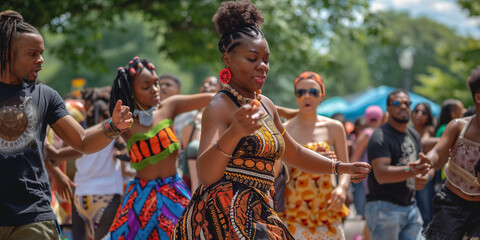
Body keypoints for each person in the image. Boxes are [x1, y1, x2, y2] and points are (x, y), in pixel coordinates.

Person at [172, 1, 371, 239]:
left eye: (266, 59)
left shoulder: (265, 104)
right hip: (223, 219)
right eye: (252, 59)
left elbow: (294, 153)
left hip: (260, 212)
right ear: (227, 60)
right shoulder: (219, 106)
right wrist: (235, 132)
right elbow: (205, 174)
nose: (263, 66)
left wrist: (340, 168)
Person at [0, 10, 132, 240]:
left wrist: (114, 127)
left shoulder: (46, 95)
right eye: (33, 54)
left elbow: (82, 142)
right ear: (6, 54)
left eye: (41, 53)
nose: (40, 60)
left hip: (32, 216)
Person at [104, 56, 213, 239]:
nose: (155, 90)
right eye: (146, 87)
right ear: (132, 92)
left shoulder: (169, 107)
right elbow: (87, 140)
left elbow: (214, 98)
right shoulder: (125, 122)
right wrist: (56, 155)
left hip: (175, 194)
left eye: (157, 84)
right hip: (140, 199)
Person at [281, 71, 354, 239]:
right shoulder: (286, 128)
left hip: (328, 206)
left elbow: (345, 165)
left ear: (321, 96)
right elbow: (280, 169)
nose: (307, 96)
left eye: (313, 92)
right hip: (295, 207)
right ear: (296, 96)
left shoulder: (334, 127)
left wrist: (342, 188)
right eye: (301, 92)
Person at [45, 90, 126, 240]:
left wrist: (54, 162)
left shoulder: (80, 137)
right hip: (108, 193)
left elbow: (57, 155)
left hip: (81, 194)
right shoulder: (114, 131)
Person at [365, 89, 433, 240]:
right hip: (383, 207)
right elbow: (381, 174)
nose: (403, 107)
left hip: (410, 207)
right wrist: (413, 171)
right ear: (388, 108)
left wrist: (424, 176)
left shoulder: (413, 134)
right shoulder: (380, 136)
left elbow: (422, 167)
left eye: (406, 103)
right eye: (397, 103)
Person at [421, 66, 480, 240]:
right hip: (452, 203)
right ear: (478, 97)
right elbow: (438, 153)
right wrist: (427, 161)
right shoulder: (458, 126)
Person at [180, 76, 222, 191]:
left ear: (220, 90)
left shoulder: (225, 122)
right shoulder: (189, 123)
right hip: (192, 191)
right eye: (204, 84)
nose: (206, 86)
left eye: (212, 84)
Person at [349, 105, 383, 240]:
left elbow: (355, 158)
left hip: (368, 179)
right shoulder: (383, 133)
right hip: (379, 179)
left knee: (371, 215)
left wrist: (350, 174)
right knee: (374, 215)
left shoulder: (366, 134)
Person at [411, 102, 437, 227]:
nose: (419, 115)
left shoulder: (429, 129)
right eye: (416, 111)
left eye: (423, 112)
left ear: (428, 116)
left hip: (425, 175)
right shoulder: (407, 129)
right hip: (409, 174)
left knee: (425, 212)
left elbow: (423, 142)